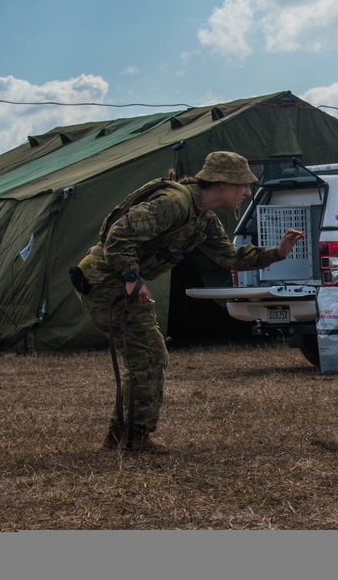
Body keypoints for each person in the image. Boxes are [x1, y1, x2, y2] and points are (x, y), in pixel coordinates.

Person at [71, 151, 305, 452]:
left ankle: (123, 437)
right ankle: (133, 437)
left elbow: (230, 257)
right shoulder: (176, 203)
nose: (248, 192)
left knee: (148, 356)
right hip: (104, 280)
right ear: (223, 182)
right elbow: (119, 235)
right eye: (244, 184)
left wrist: (278, 253)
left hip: (114, 281)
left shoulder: (203, 219)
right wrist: (131, 277)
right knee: (148, 356)